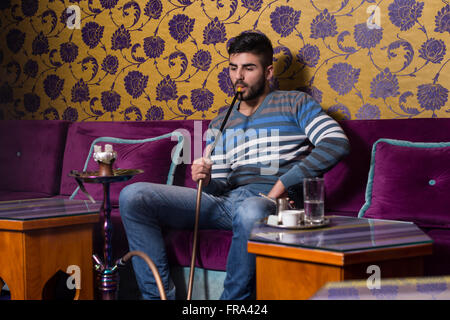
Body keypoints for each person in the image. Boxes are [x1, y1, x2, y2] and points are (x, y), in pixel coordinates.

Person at [119, 31, 350, 300]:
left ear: (269, 71)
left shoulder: (295, 103)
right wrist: (205, 178)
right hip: (228, 204)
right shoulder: (220, 122)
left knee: (250, 210)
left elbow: (336, 142)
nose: (238, 76)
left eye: (249, 68)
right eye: (233, 68)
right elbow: (218, 187)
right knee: (134, 196)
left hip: (274, 202)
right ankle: (157, 298)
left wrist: (282, 183)